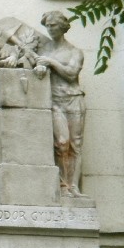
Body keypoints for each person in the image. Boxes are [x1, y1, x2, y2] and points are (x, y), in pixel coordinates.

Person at [34, 10, 87, 198]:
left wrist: (50, 62)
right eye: (47, 25)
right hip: (55, 101)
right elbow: (38, 67)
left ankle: (74, 186)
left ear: (63, 27)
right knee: (62, 143)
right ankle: (64, 185)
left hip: (73, 99)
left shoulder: (75, 52)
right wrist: (40, 67)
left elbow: (71, 74)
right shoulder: (43, 51)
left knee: (75, 145)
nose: (50, 29)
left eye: (53, 25)